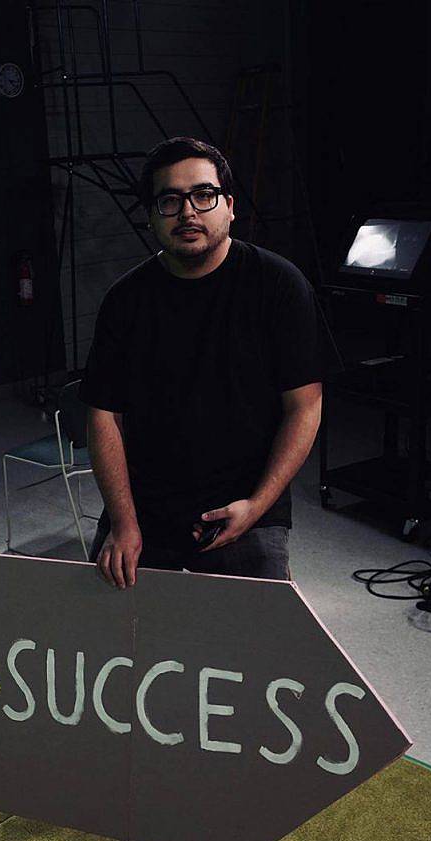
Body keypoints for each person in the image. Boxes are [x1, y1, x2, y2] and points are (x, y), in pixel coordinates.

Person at [79, 136, 324, 589]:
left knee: (257, 650)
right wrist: (123, 522)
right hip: (143, 507)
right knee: (114, 643)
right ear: (151, 216)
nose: (188, 212)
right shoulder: (125, 301)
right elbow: (103, 414)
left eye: (203, 195)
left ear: (229, 205)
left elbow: (305, 406)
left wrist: (258, 506)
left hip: (248, 505)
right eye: (169, 200)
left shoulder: (280, 286)